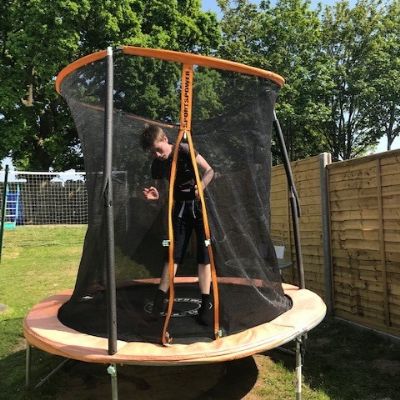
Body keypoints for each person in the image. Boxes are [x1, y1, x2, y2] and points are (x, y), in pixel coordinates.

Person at [141, 124, 214, 325]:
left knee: (203, 255)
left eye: (158, 149)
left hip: (199, 209)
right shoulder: (157, 164)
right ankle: (158, 303)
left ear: (165, 140)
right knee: (172, 254)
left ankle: (206, 305)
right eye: (153, 152)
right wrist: (156, 196)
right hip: (179, 211)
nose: (157, 154)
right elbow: (165, 192)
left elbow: (209, 171)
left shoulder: (183, 149)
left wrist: (201, 186)